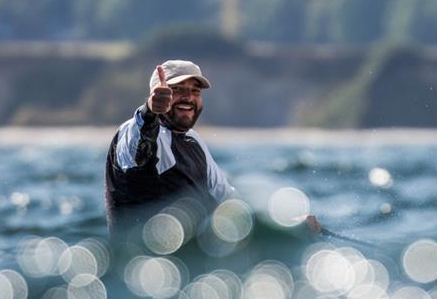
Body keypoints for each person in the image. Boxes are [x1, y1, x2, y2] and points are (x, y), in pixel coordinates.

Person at [105, 59, 318, 239]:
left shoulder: (194, 142)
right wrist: (150, 110)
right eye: (177, 90)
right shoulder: (132, 131)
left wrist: (285, 225)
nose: (188, 97)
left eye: (195, 91)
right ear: (156, 94)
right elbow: (140, 148)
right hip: (141, 269)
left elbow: (232, 204)